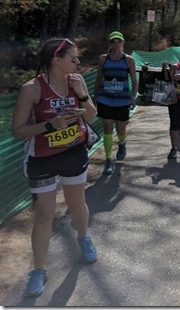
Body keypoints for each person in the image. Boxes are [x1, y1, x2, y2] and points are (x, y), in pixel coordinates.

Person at [12, 38, 99, 298]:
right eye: (73, 58)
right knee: (44, 215)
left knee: (76, 203)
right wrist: (50, 125)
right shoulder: (32, 89)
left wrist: (82, 94)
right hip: (43, 158)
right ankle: (39, 269)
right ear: (56, 59)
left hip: (73, 152)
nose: (78, 62)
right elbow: (17, 131)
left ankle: (83, 239)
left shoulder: (76, 82)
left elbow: (91, 116)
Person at [94, 31, 138, 175]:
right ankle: (108, 160)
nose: (116, 44)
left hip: (122, 99)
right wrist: (95, 95)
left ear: (123, 43)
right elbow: (99, 77)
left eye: (119, 41)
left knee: (120, 129)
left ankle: (122, 144)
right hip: (105, 98)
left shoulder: (128, 60)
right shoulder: (103, 59)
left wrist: (133, 96)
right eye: (113, 41)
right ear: (110, 44)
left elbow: (134, 79)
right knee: (107, 128)